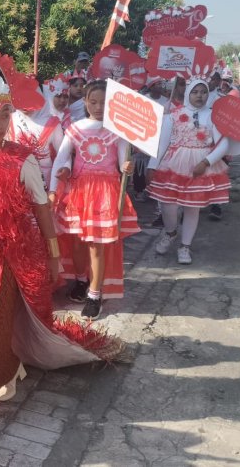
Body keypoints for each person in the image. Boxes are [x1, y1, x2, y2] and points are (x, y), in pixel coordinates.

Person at [0, 46, 126, 443]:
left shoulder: (22, 160)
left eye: (5, 115)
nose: (0, 123)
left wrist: (54, 259)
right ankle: (11, 367)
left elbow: (41, 211)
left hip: (7, 260)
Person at [49, 81, 138, 318]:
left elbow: (122, 163)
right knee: (77, 242)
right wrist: (55, 185)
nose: (98, 107)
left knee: (96, 245)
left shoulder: (118, 131)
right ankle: (80, 280)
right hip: (79, 191)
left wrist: (127, 166)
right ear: (85, 102)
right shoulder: (75, 129)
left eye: (104, 102)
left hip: (104, 195)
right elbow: (62, 159)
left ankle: (94, 294)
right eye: (93, 101)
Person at [147, 77, 230, 265]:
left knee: (192, 207)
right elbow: (162, 143)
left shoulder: (213, 116)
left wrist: (206, 162)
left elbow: (223, 144)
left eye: (203, 92)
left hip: (200, 167)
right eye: (195, 92)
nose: (199, 96)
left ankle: (185, 246)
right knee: (168, 205)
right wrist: (152, 165)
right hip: (173, 165)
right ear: (187, 93)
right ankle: (170, 232)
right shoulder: (173, 115)